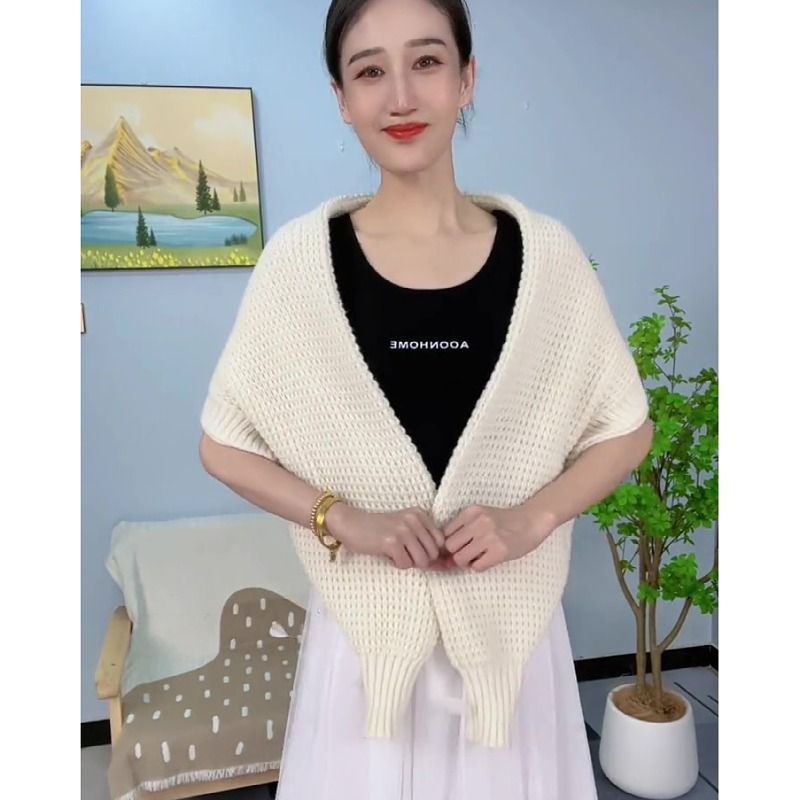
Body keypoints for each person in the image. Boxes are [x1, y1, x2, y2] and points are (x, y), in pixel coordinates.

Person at [199, 0, 654, 797]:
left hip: (514, 645)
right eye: (370, 70)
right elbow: (223, 444)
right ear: (342, 98)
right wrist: (344, 518)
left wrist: (533, 518)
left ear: (467, 79)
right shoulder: (298, 266)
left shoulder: (547, 258)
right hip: (363, 649)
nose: (401, 96)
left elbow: (626, 428)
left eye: (427, 61)